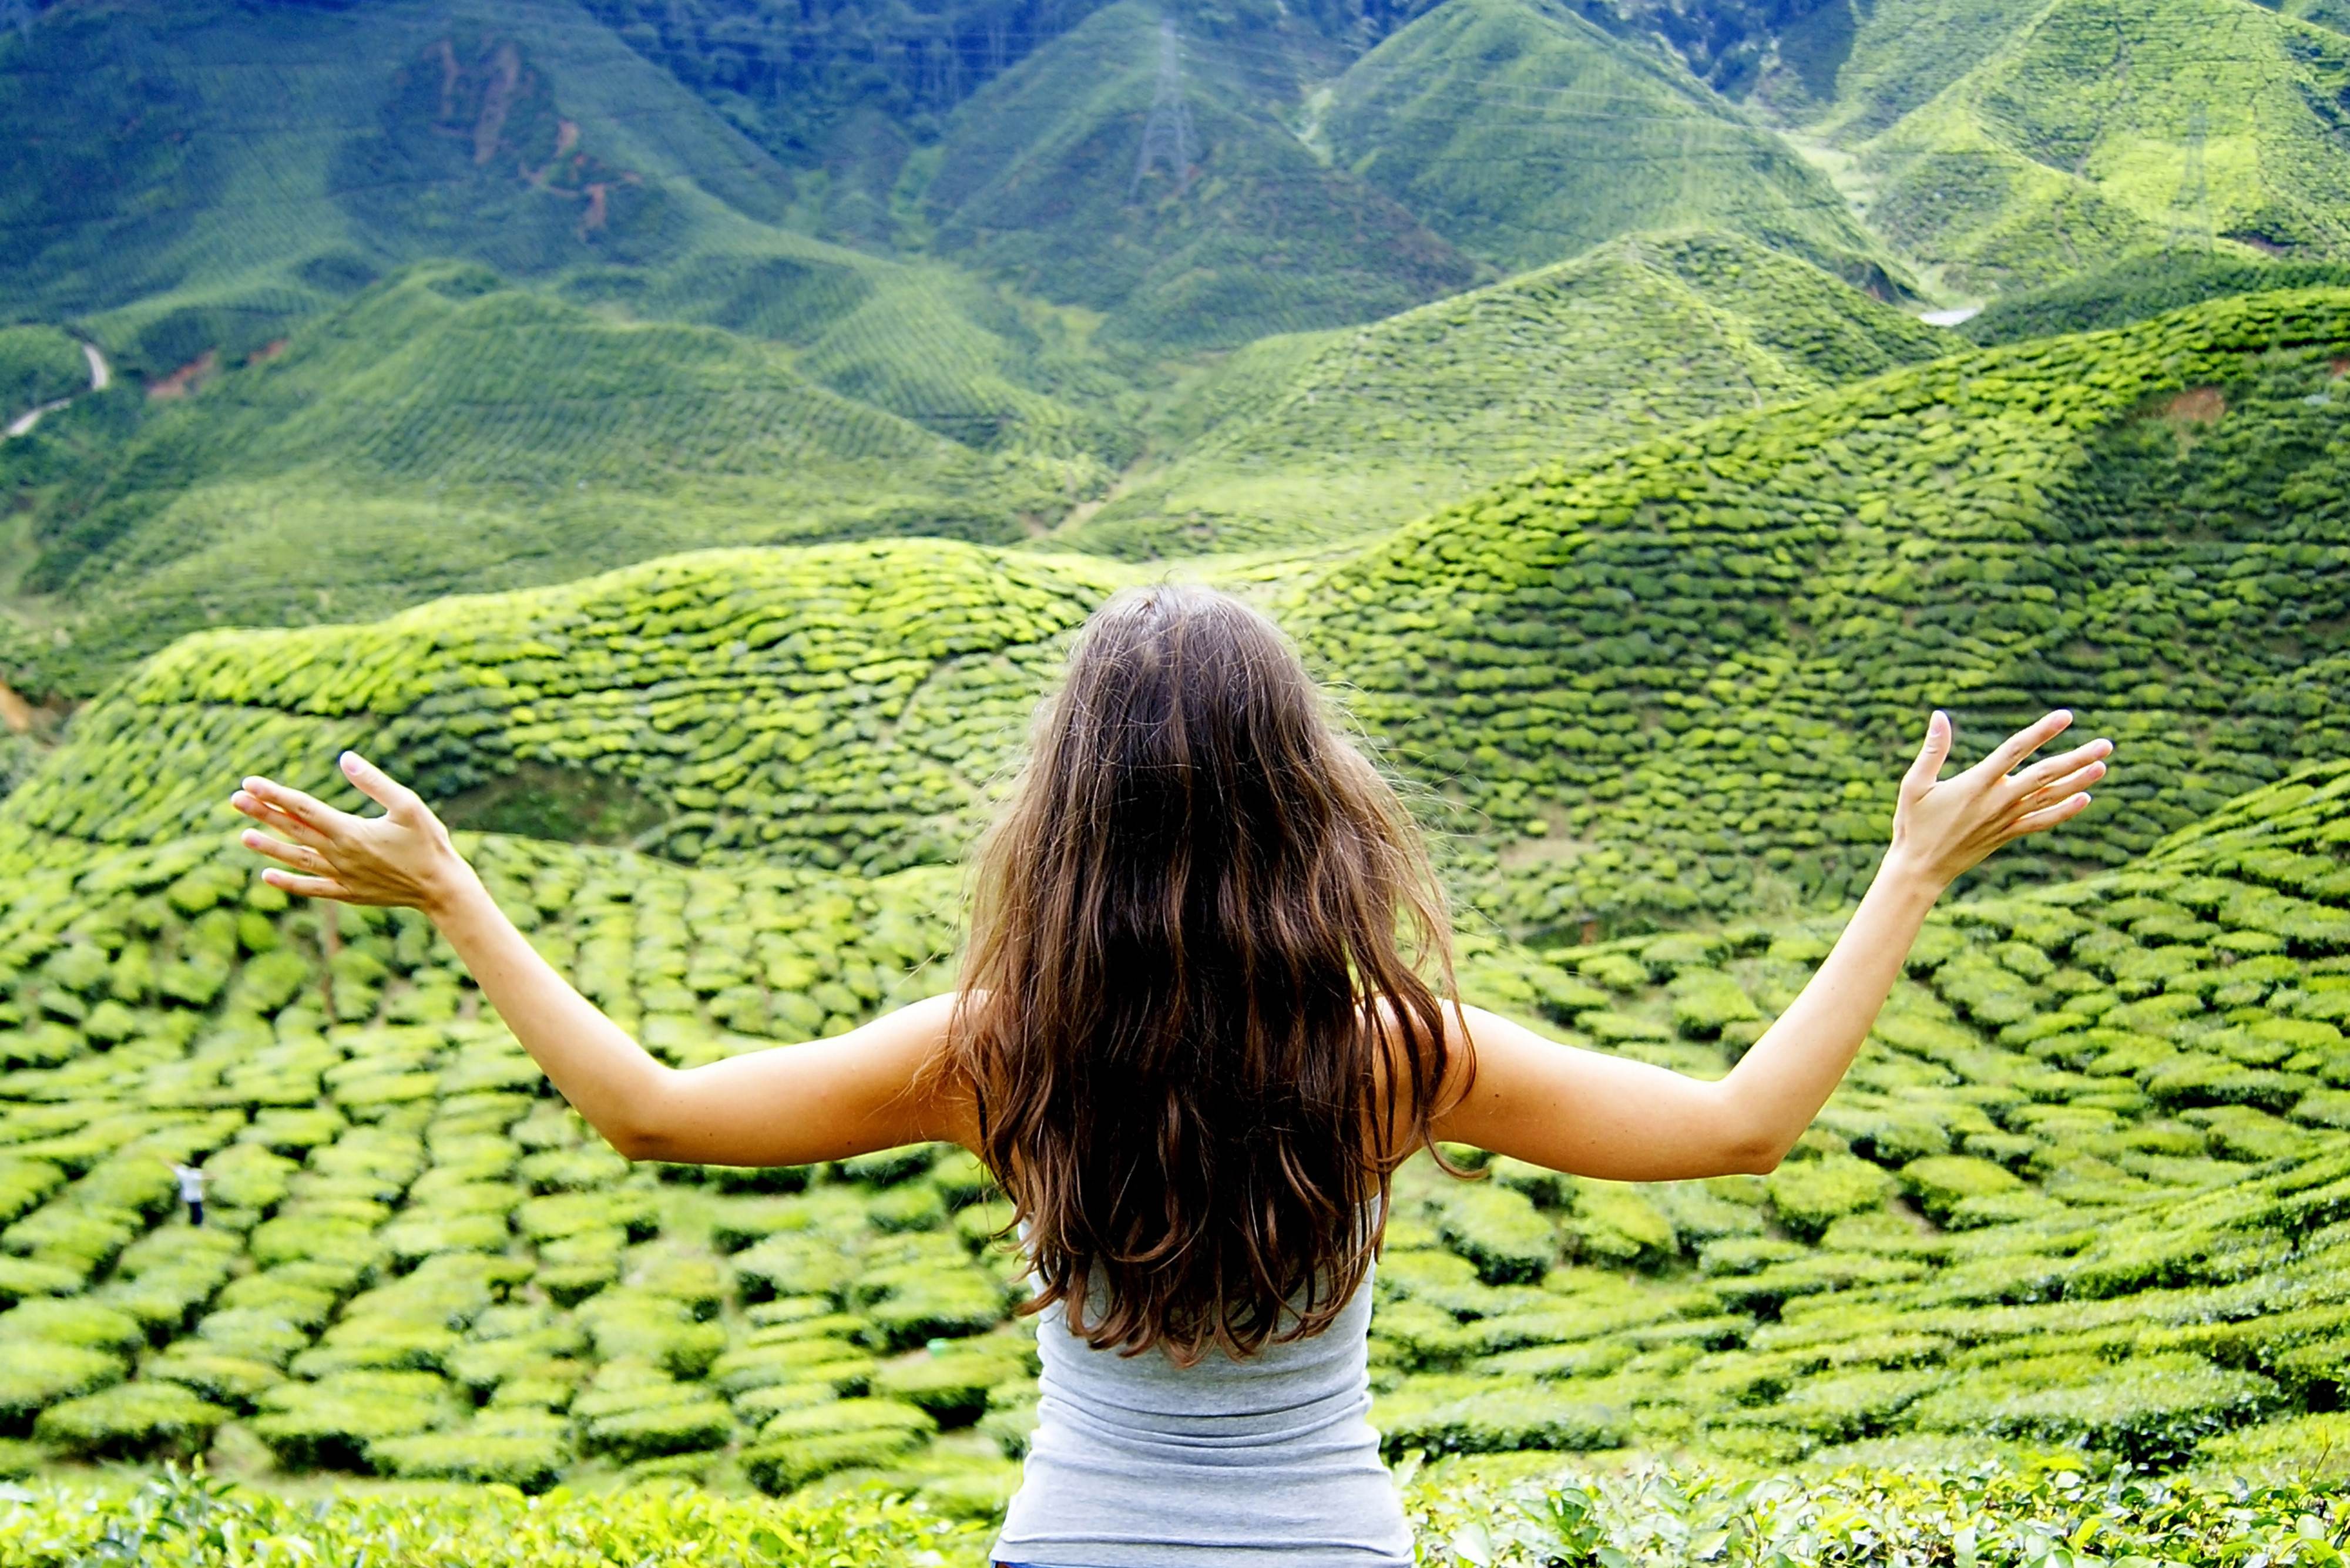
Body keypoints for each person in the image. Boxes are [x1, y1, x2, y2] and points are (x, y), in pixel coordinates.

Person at [226, 583, 2110, 1567]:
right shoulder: (1388, 1052)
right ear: (1309, 796)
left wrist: (457, 889)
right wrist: (1907, 872)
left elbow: (654, 1106)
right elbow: (1739, 1127)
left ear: (1065, 812)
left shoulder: (998, 1050)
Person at [165, 1158, 209, 1226]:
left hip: (187, 1195)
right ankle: (197, 1224)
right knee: (198, 1211)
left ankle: (192, 1222)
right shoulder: (195, 1174)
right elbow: (207, 1176)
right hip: (196, 1196)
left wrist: (167, 1161)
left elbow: (173, 1167)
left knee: (192, 1210)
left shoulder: (183, 1173)